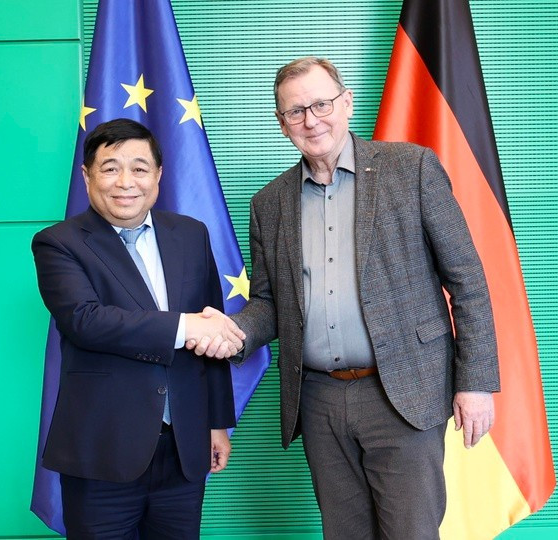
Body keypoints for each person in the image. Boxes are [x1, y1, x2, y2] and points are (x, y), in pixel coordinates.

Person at [191, 57, 500, 539]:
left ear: (347, 102)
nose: (311, 120)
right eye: (296, 111)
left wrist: (475, 382)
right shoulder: (268, 203)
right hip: (318, 399)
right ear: (281, 122)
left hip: (403, 393)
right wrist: (232, 333)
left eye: (321, 103)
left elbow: (467, 280)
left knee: (411, 533)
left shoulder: (412, 168)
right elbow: (272, 303)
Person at [32, 118, 245, 539]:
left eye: (140, 168)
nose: (126, 182)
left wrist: (217, 422)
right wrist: (185, 327)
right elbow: (86, 320)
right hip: (102, 453)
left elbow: (212, 330)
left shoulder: (190, 234)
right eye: (110, 168)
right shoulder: (59, 243)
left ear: (159, 176)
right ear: (87, 175)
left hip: (184, 450)